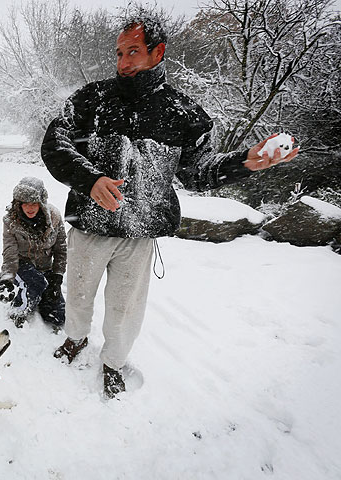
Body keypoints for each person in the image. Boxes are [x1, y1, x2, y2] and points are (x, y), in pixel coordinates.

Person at [41, 17, 299, 398]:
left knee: (125, 309)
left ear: (157, 52)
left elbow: (199, 172)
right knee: (77, 295)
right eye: (119, 53)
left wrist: (245, 161)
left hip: (139, 233)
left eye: (133, 52)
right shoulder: (88, 100)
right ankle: (76, 338)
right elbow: (54, 145)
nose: (123, 62)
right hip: (88, 227)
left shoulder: (183, 113)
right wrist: (90, 179)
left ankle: (113, 362)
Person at [0, 177, 67, 330]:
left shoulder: (54, 217)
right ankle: (18, 310)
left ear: (41, 204)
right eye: (25, 203)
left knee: (57, 316)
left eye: (34, 203)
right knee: (36, 282)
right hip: (22, 266)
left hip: (45, 268)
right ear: (18, 204)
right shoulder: (10, 221)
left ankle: (40, 292)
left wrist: (57, 277)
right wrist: (6, 279)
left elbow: (61, 250)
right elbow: (10, 254)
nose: (30, 208)